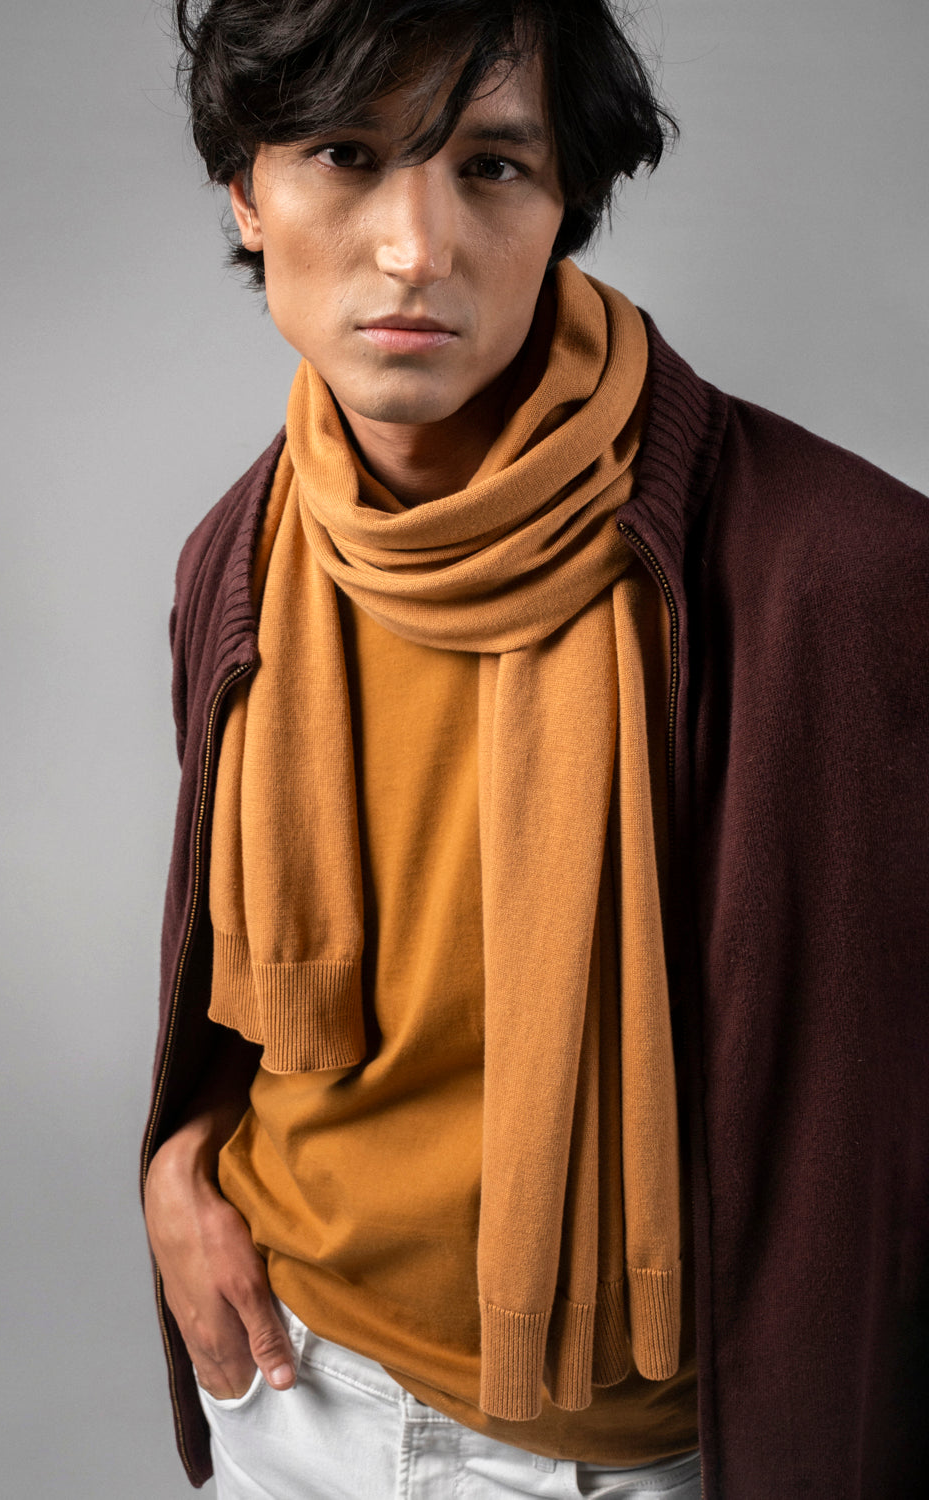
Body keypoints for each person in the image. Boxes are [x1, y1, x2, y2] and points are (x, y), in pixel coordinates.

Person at [140, 2, 929, 1496]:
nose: (414, 247)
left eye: (491, 166)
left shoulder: (848, 578)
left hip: (651, 1454)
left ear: (565, 204)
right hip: (294, 1395)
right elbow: (247, 997)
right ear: (246, 191)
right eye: (346, 154)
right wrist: (179, 1159)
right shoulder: (241, 556)